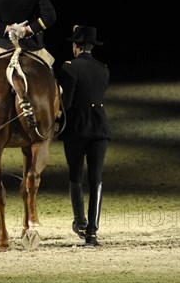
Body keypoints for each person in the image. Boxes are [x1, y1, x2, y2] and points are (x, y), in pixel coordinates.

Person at [56, 25, 111, 247]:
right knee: (96, 178)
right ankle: (92, 233)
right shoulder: (104, 69)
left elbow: (66, 103)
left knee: (76, 175)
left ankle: (79, 221)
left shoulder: (69, 67)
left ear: (76, 46)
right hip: (99, 128)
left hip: (76, 128)